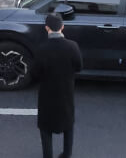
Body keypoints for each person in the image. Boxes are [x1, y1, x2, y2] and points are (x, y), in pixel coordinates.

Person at [35, 14, 83, 158]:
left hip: (46, 94)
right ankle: (66, 154)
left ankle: (47, 155)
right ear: (62, 27)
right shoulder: (72, 46)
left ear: (46, 28)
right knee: (68, 125)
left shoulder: (42, 48)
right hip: (66, 92)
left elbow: (35, 72)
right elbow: (79, 67)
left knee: (45, 128)